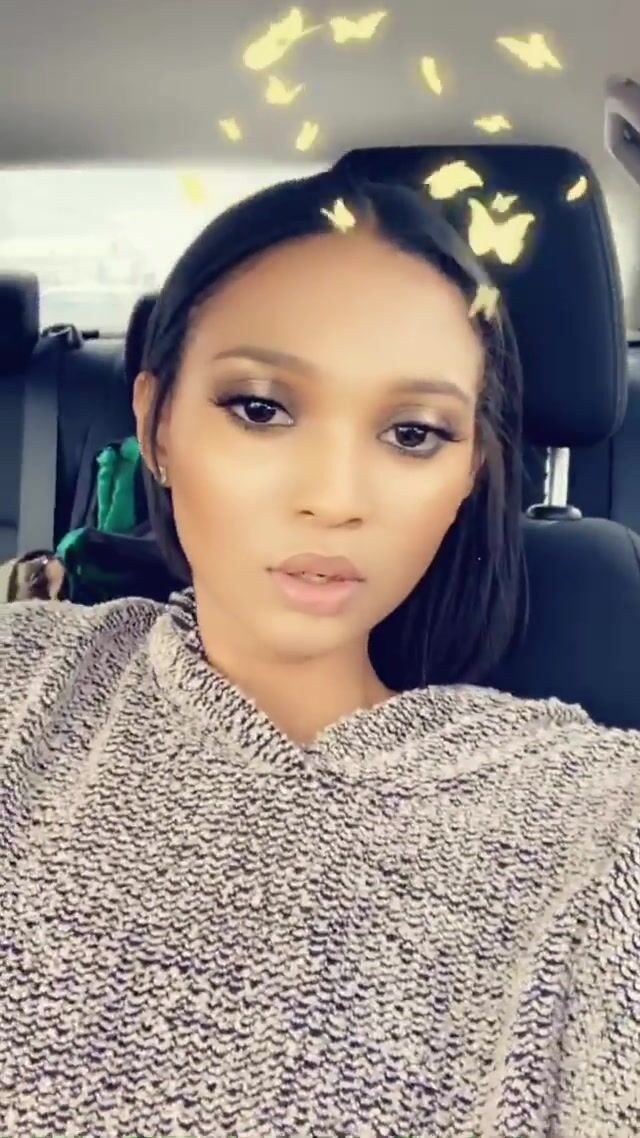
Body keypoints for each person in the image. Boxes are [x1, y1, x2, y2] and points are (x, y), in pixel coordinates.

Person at [0, 168, 639, 1138]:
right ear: (157, 425)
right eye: (260, 408)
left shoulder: (597, 818)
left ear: (469, 471)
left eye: (412, 432)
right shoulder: (24, 679)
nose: (335, 497)